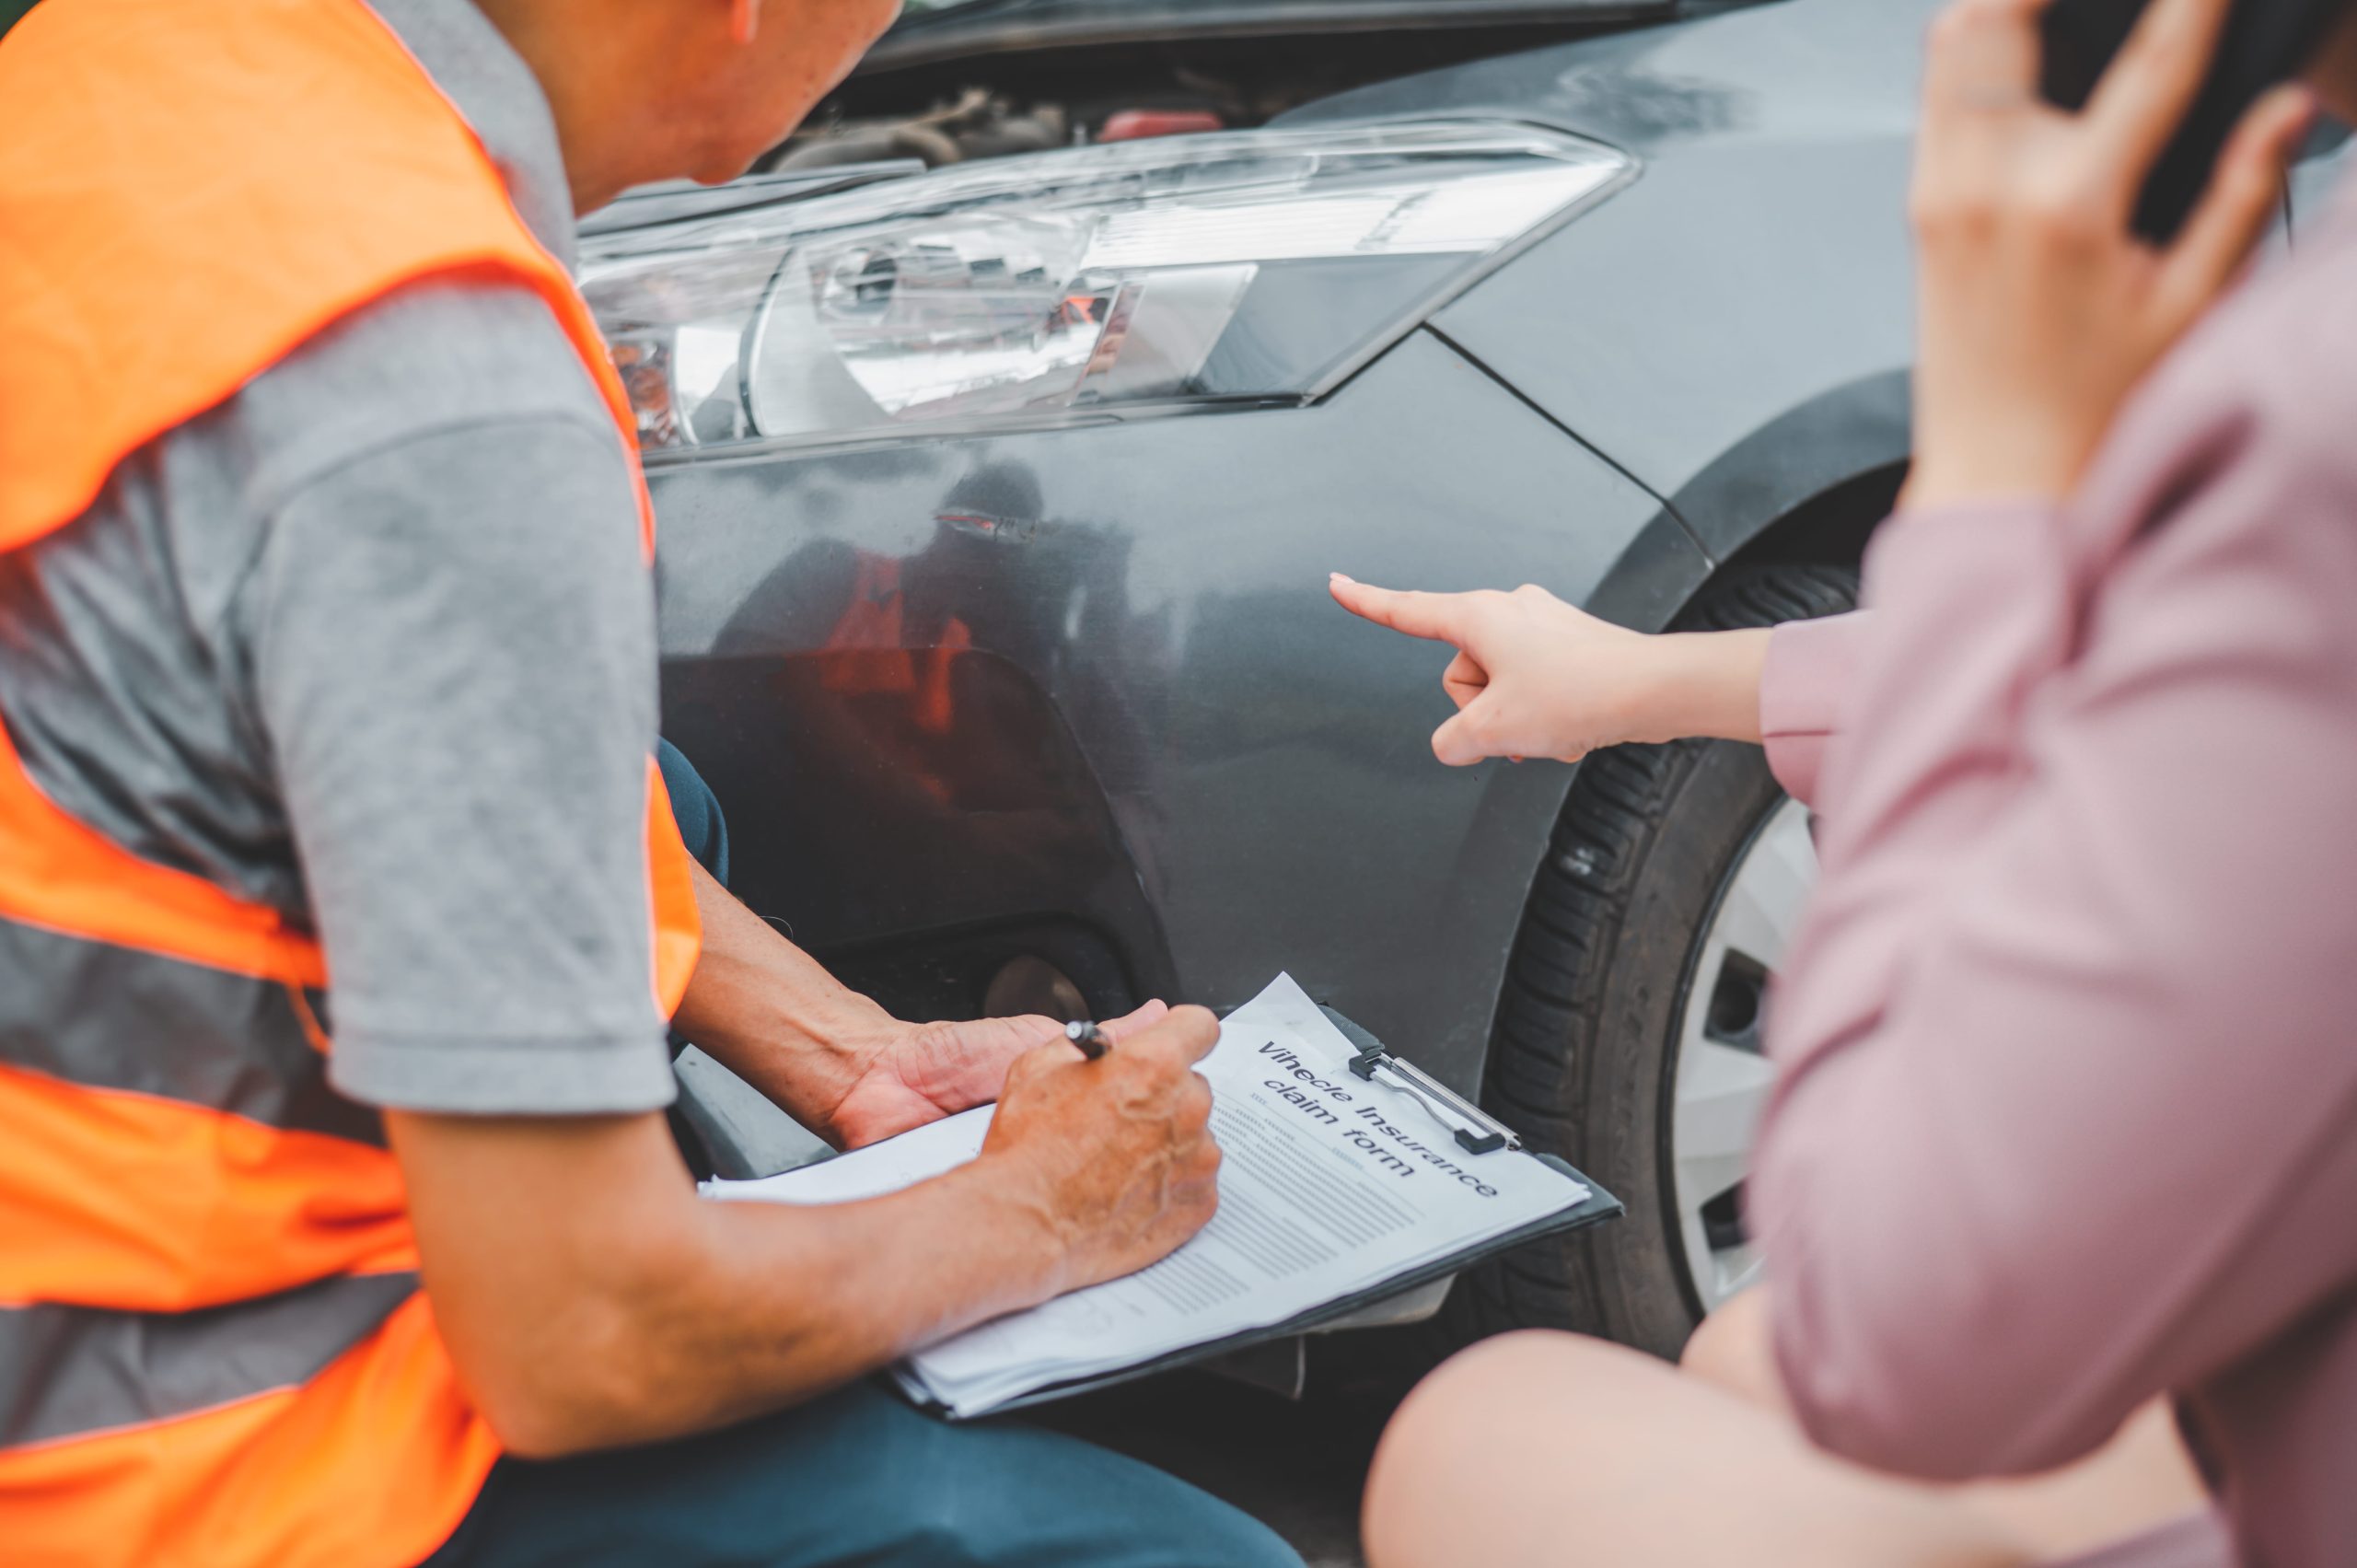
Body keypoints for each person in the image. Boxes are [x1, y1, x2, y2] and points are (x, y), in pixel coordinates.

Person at [0, 2, 1301, 1565]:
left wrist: (845, 1053)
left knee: (664, 800)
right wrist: (1043, 1209)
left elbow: (414, 750)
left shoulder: (126, 65)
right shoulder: (433, 374)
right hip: (138, 1464)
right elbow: (582, 1333)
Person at [1331, 0, 2357, 1562]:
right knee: (1734, 1362)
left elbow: (1892, 1325)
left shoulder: (2312, 411)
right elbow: (2244, 739)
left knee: (1492, 1438)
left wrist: (2001, 467)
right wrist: (1641, 684)